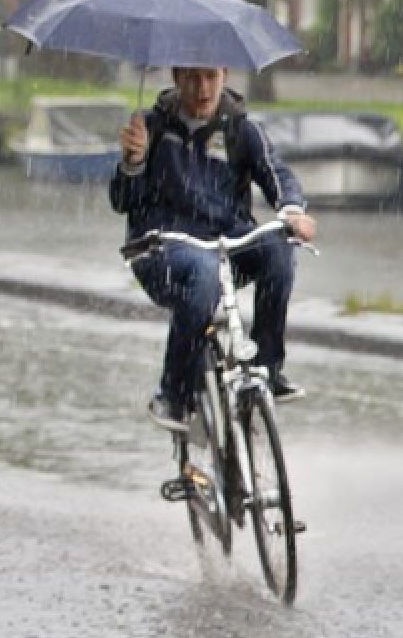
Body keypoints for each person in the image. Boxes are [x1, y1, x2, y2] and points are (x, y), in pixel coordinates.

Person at [112, 65, 317, 432]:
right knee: (203, 273)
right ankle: (174, 394)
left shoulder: (241, 129)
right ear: (176, 78)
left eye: (210, 77)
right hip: (164, 249)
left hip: (227, 243)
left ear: (224, 76)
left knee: (279, 250)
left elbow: (277, 175)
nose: (202, 89)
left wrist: (291, 211)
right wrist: (133, 163)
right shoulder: (150, 126)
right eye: (192, 78)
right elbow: (124, 201)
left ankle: (267, 368)